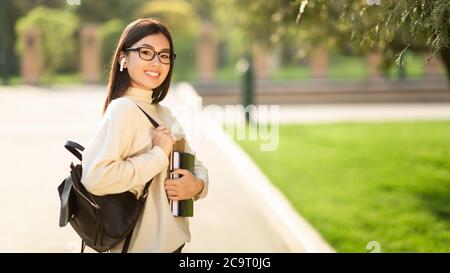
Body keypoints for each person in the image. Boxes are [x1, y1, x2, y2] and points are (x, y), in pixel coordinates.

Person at [80, 18, 209, 253]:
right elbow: (96, 177)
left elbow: (195, 164)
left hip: (174, 245)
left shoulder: (163, 112)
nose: (156, 62)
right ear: (123, 59)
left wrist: (197, 186)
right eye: (146, 52)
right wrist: (159, 155)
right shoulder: (123, 110)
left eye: (164, 55)